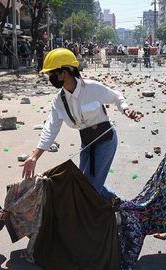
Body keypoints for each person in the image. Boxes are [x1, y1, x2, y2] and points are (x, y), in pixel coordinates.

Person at [21, 48, 143, 201]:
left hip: (105, 140)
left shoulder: (92, 88)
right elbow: (50, 129)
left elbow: (116, 97)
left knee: (89, 188)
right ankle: (117, 203)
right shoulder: (59, 101)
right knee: (84, 183)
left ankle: (113, 211)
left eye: (52, 73)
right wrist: (34, 157)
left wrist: (126, 109)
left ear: (64, 72)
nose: (49, 78)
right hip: (87, 143)